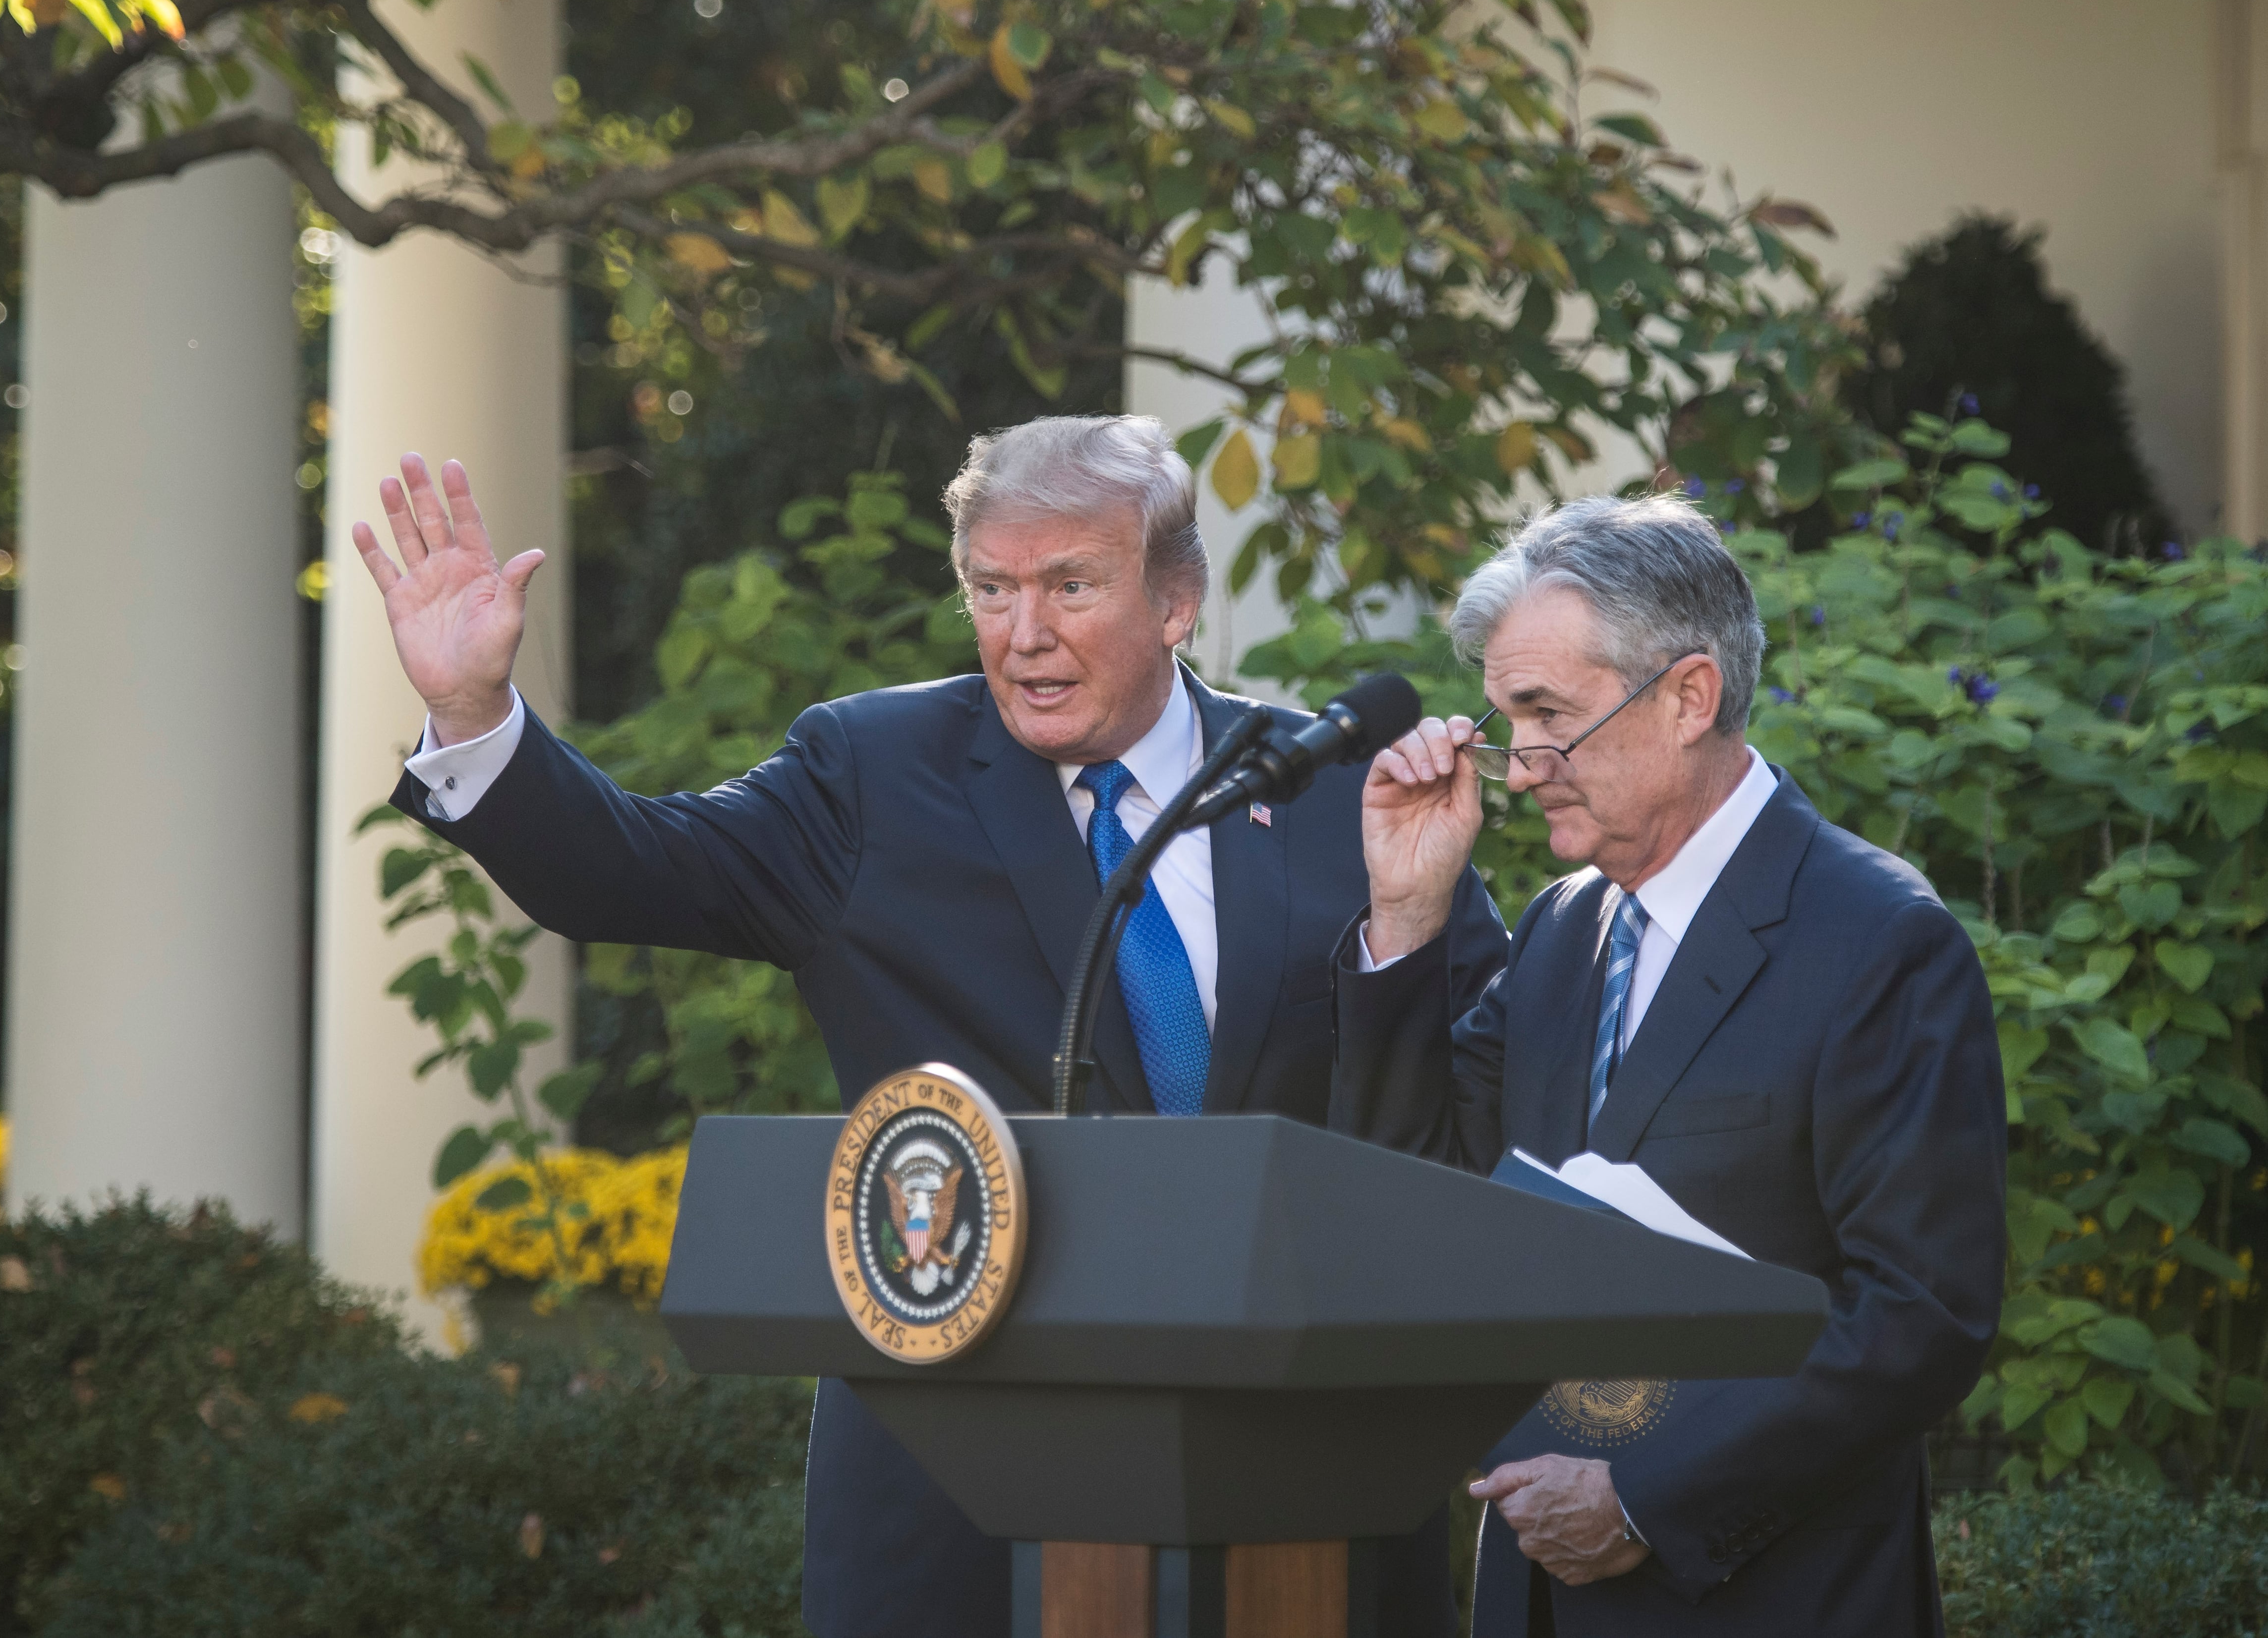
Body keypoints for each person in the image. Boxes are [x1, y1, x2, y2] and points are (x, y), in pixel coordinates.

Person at [348, 415, 1506, 1638]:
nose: (1025, 633)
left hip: (1298, 1486)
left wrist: (1406, 925)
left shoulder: (1331, 784)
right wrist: (477, 712)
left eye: (1071, 584)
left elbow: (1468, 1107)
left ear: (1177, 600)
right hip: (962, 1493)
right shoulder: (873, 772)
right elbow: (630, 871)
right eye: (991, 588)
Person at [1332, 494, 2005, 1637]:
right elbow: (1424, 1204)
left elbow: (1919, 1310)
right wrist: (1403, 913)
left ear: (1689, 695)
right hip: (1535, 1591)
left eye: (1548, 713)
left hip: (1772, 1596)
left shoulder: (1876, 936)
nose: (1521, 762)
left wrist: (1645, 1498)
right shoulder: (1560, 929)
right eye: (1504, 719)